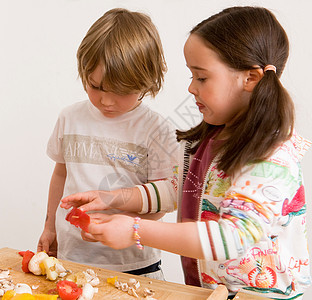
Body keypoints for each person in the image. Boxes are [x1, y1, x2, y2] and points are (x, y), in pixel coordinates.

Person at [61, 6, 311, 299]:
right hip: (209, 291)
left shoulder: (271, 156)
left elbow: (232, 237)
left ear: (251, 78)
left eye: (201, 78)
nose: (191, 88)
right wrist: (115, 198)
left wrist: (135, 230)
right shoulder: (208, 141)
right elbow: (177, 190)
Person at [37, 8, 178, 280]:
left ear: (147, 81)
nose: (106, 101)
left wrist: (128, 230)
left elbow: (165, 198)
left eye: (121, 92)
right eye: (96, 86)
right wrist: (50, 227)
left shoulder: (156, 129)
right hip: (72, 258)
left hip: (134, 265)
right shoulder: (70, 117)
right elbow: (61, 173)